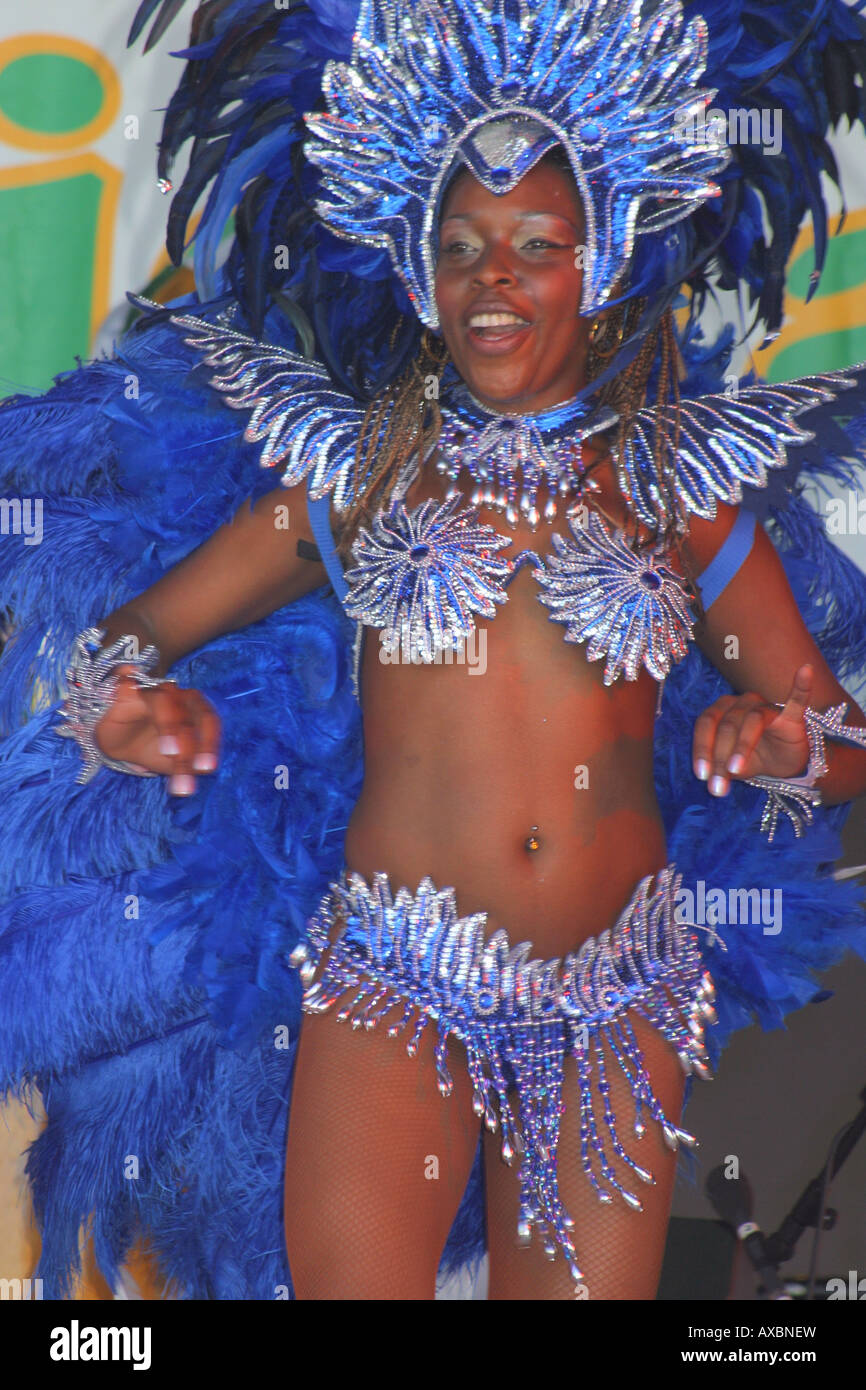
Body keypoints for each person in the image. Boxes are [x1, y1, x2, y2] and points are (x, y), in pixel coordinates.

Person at [2, 0, 866, 1301]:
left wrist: (785, 741)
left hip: (618, 993)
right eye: (459, 245)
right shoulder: (363, 470)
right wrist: (121, 702)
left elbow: (838, 739)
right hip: (400, 984)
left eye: (534, 244)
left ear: (604, 257)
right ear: (415, 270)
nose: (493, 277)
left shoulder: (677, 484)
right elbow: (138, 634)